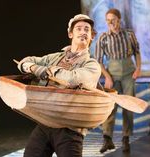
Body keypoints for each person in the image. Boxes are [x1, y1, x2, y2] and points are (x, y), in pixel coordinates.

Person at [17, 14, 101, 157]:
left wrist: (47, 70)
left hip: (70, 129)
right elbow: (25, 61)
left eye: (87, 30)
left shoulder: (92, 65)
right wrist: (31, 67)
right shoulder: (54, 58)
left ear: (91, 36)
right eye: (79, 29)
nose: (83, 32)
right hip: (46, 121)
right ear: (70, 34)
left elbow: (72, 79)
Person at [95, 8, 141, 153]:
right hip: (112, 74)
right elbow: (98, 61)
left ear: (119, 20)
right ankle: (107, 139)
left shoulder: (129, 34)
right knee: (110, 106)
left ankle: (125, 139)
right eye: (108, 20)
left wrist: (138, 68)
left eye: (113, 20)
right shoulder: (103, 38)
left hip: (128, 72)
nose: (111, 23)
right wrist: (107, 77)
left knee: (128, 105)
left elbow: (137, 52)